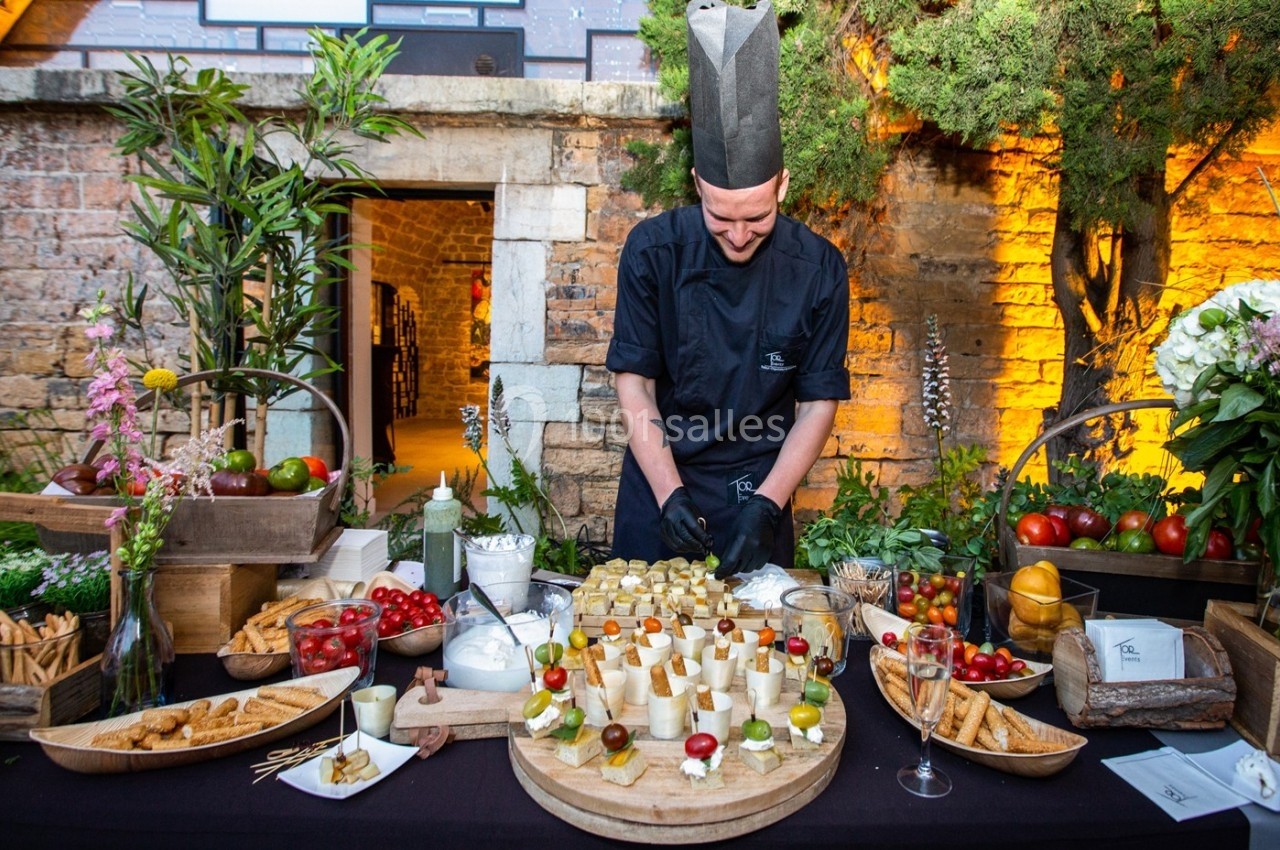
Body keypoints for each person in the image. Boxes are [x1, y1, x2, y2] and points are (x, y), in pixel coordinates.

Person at [606, 0, 851, 579]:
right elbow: (634, 384)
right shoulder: (652, 252)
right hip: (660, 481)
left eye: (756, 217)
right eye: (721, 217)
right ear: (697, 186)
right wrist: (669, 495)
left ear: (783, 185)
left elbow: (818, 403)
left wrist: (769, 504)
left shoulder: (818, 269)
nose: (739, 235)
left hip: (758, 483)